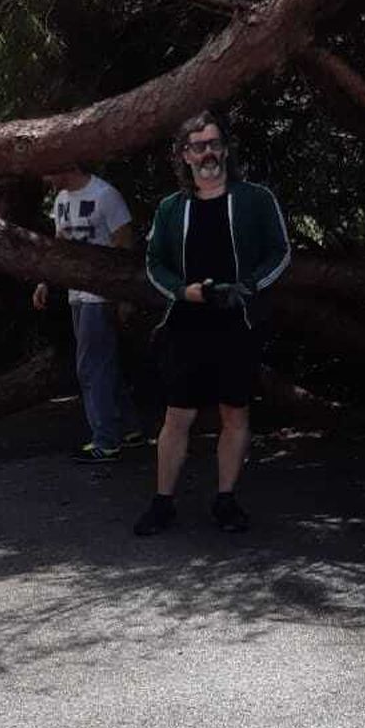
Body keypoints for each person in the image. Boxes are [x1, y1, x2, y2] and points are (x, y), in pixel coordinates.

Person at [133, 110, 290, 537]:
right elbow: (154, 263)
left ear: (225, 149)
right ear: (184, 155)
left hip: (237, 322)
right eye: (198, 146)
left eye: (215, 144)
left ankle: (226, 500)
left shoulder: (256, 199)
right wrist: (183, 292)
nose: (208, 153)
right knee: (177, 416)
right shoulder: (171, 209)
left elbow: (280, 253)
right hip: (185, 325)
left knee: (234, 414)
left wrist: (250, 287)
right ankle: (162, 503)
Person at [32, 163, 143, 462]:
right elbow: (61, 245)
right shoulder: (62, 200)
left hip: (102, 293)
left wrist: (123, 296)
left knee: (90, 366)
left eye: (48, 169)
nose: (45, 177)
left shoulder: (105, 195)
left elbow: (124, 245)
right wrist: (47, 280)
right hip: (76, 293)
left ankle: (106, 440)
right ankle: (129, 426)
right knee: (103, 361)